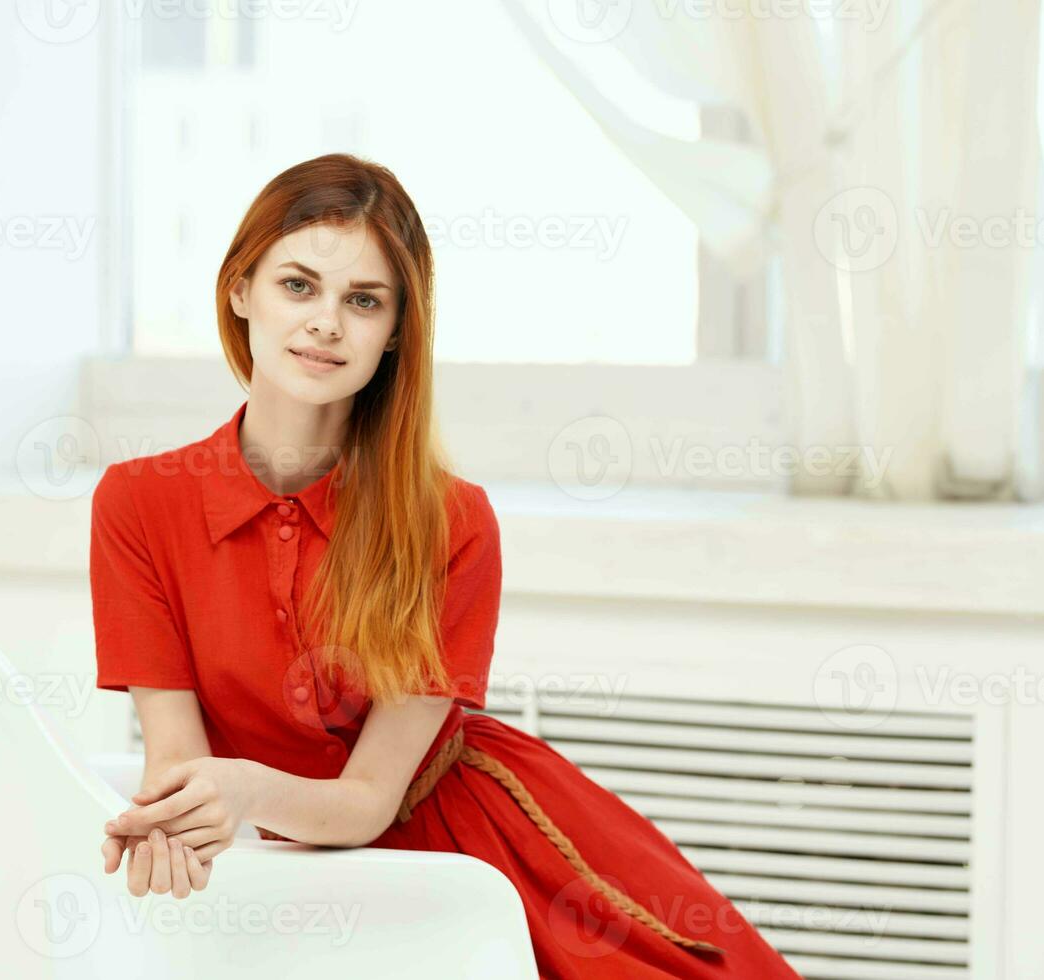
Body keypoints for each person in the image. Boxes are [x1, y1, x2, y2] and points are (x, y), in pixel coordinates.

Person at [90, 153, 801, 979]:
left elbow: (364, 804)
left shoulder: (451, 522)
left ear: (396, 334)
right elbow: (177, 763)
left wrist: (240, 793)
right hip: (295, 869)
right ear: (239, 291)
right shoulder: (138, 503)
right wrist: (182, 821)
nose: (326, 322)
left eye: (363, 301)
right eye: (297, 285)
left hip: (476, 848)